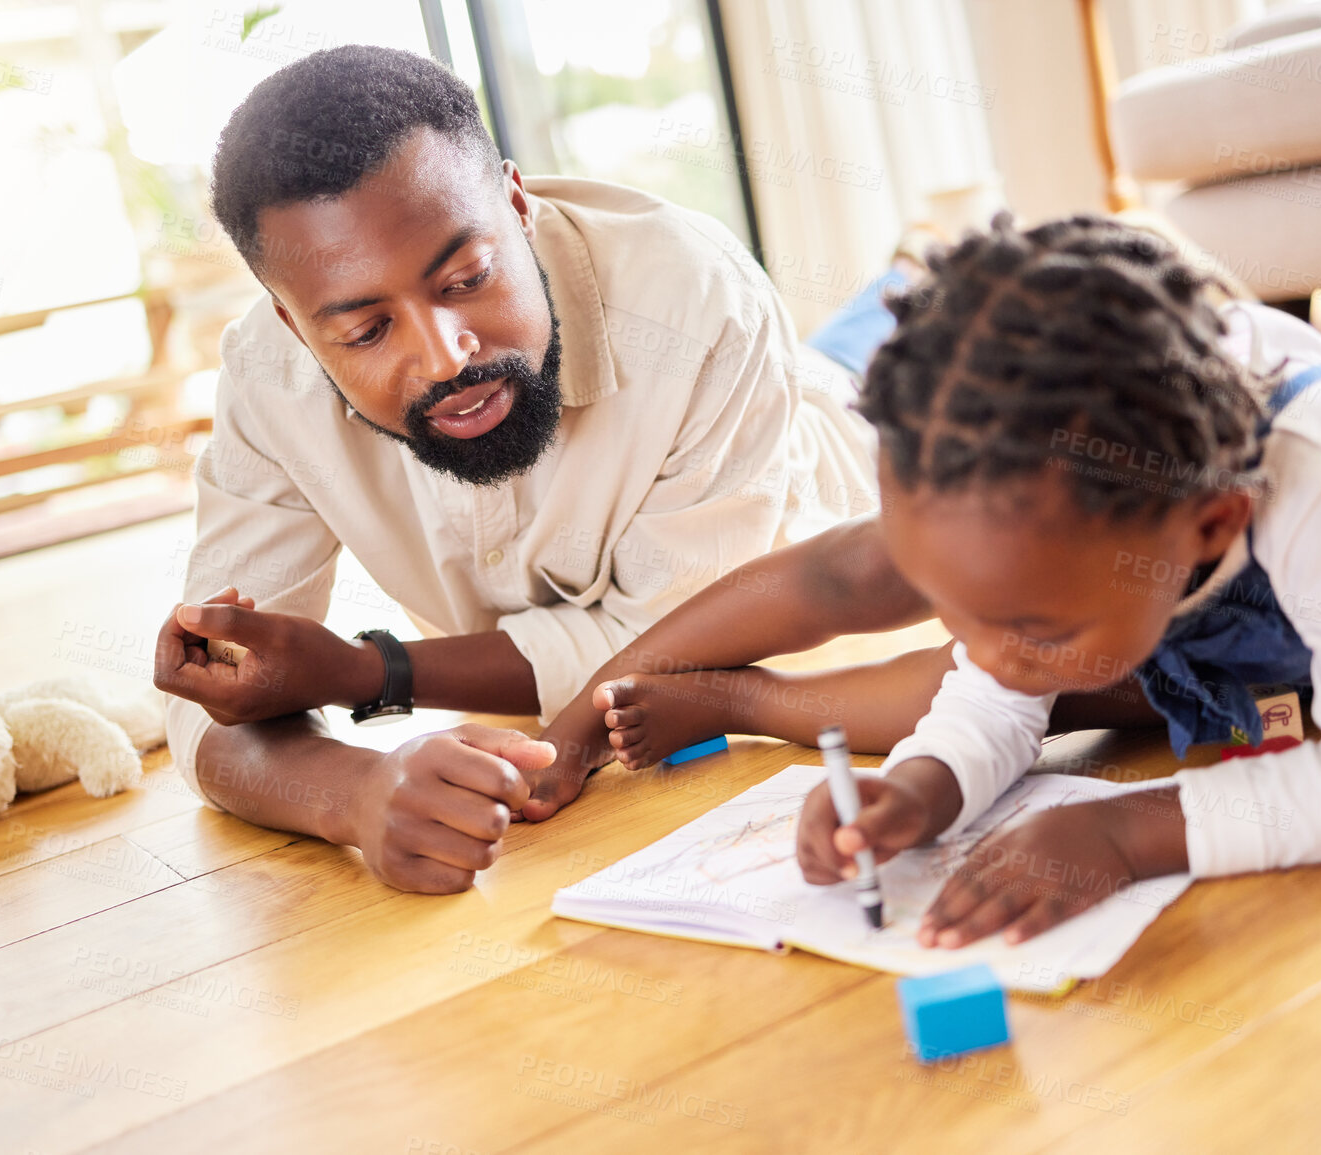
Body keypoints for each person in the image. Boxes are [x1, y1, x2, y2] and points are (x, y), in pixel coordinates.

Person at [567, 213, 1321, 948]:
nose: (985, 656)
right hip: (1154, 605)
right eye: (958, 614)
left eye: (1033, 626)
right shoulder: (1058, 554)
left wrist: (1126, 833)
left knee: (1102, 679)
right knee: (1011, 660)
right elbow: (994, 692)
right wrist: (924, 785)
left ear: (1209, 524)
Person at [151, 44, 877, 893]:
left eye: (467, 278)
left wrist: (371, 671)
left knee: (901, 342)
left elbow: (666, 649)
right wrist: (353, 792)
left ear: (518, 202)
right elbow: (211, 701)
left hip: (857, 443)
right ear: (292, 325)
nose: (444, 356)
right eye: (364, 333)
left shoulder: (694, 299)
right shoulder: (265, 372)